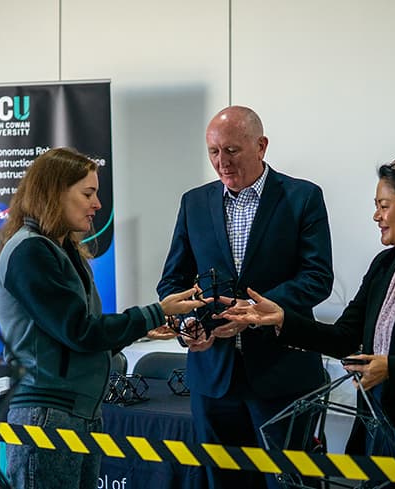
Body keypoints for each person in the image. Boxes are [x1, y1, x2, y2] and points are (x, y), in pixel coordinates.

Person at [219, 157, 395, 463]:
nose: (376, 216)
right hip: (377, 426)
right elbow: (344, 337)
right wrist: (282, 319)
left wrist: (392, 369)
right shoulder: (384, 266)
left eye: (384, 206)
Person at [0, 147, 204, 489]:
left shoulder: (62, 250)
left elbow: (84, 336)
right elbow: (79, 332)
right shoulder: (31, 251)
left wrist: (150, 323)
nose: (98, 204)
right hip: (48, 416)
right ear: (54, 193)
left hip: (77, 413)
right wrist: (155, 312)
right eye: (88, 193)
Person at [157, 106, 333, 489]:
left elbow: (318, 278)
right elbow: (173, 281)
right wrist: (188, 325)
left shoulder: (302, 198)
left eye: (232, 151)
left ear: (261, 146)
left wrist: (256, 310)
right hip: (213, 379)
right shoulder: (194, 202)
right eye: (213, 152)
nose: (222, 162)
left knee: (289, 484)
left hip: (283, 376)